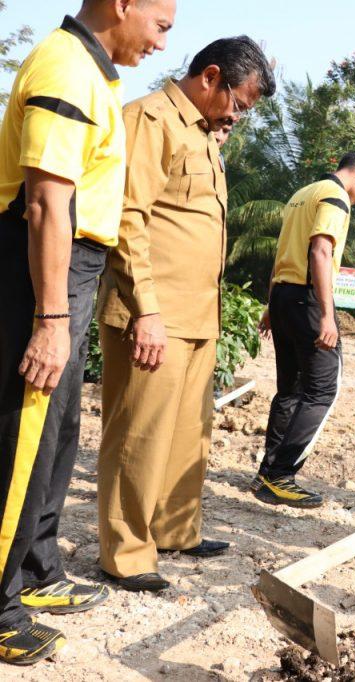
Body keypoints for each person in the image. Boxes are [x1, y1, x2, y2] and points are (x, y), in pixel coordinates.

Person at [0, 0, 176, 665]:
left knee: (53, 434)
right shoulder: (66, 67)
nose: (162, 44)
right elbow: (46, 202)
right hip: (43, 270)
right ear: (123, 3)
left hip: (74, 269)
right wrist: (49, 318)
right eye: (161, 26)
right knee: (21, 441)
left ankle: (34, 571)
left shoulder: (94, 74)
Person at [95, 37, 275, 594]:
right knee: (139, 435)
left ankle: (175, 531)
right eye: (238, 104)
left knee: (185, 435)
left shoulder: (202, 134)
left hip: (197, 314)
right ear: (211, 76)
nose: (238, 117)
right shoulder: (150, 120)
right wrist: (145, 310)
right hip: (155, 312)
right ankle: (125, 554)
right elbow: (129, 219)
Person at [252, 152, 355, 508]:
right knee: (323, 389)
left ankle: (267, 472)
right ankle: (281, 476)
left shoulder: (302, 193)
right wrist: (327, 314)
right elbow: (320, 252)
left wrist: (271, 304)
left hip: (284, 297)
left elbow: (282, 251)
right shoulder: (335, 198)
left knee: (289, 390)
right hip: (308, 300)